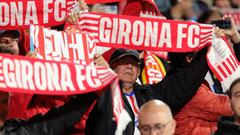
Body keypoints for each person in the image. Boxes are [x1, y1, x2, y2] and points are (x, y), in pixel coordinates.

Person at [85, 46, 209, 135]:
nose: (129, 66)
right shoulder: (100, 95)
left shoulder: (150, 94)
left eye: (134, 64)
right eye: (123, 62)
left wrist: (210, 47)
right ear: (111, 67)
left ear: (138, 72)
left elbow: (186, 80)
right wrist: (101, 75)